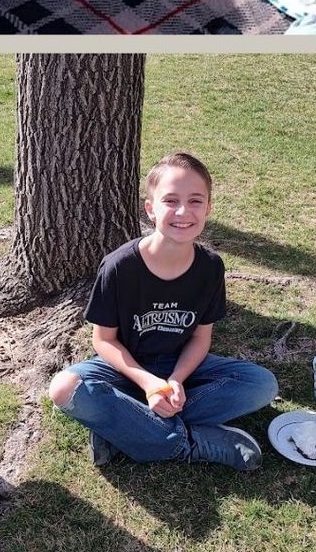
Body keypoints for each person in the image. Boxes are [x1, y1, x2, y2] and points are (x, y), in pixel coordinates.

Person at [48, 152, 277, 470]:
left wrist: (175, 382)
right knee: (64, 389)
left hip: (183, 370)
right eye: (170, 200)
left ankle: (123, 426)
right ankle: (193, 443)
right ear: (150, 209)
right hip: (125, 371)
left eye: (196, 201)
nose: (183, 211)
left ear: (209, 207)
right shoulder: (120, 266)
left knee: (261, 385)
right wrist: (149, 384)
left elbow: (200, 338)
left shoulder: (210, 267)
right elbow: (103, 342)